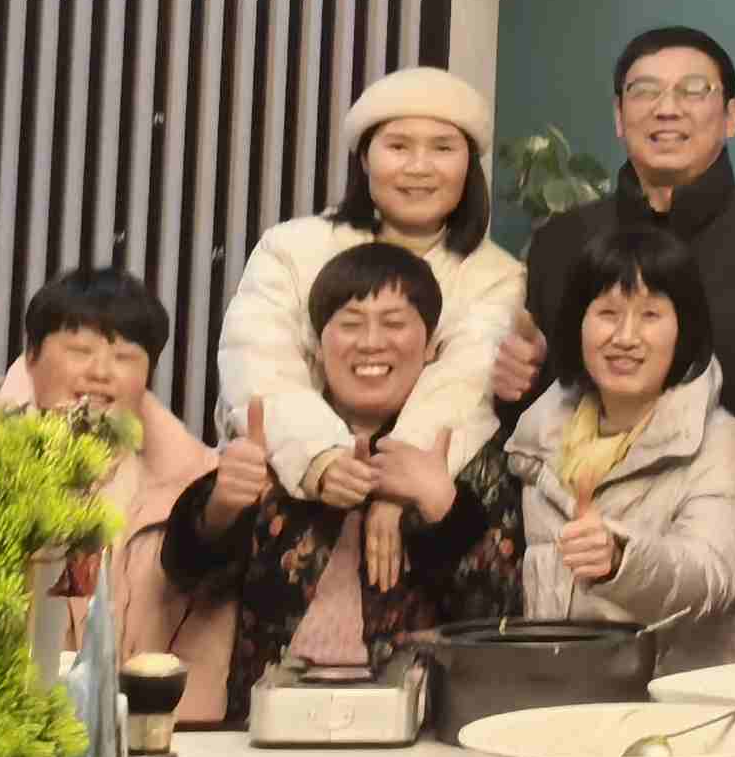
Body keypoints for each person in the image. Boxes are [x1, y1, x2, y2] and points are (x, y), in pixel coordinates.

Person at [164, 243, 508, 725]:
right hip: (267, 729)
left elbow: (498, 618)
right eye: (350, 324)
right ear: (317, 345)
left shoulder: (466, 454)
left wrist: (444, 510)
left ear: (431, 346)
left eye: (394, 323)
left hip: (420, 732)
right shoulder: (276, 442)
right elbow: (185, 580)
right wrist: (219, 507)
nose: (371, 343)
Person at [216, 67, 525, 592]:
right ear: (364, 158)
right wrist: (321, 457)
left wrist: (394, 485)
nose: (419, 167)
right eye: (398, 146)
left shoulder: (499, 275)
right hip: (290, 499)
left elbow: (462, 385)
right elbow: (258, 361)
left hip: (429, 520)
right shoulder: (291, 247)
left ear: (469, 164)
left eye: (443, 148)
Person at [506, 27, 735, 445]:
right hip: (583, 481)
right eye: (645, 91)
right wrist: (518, 383)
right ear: (618, 116)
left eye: (694, 90)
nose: (667, 109)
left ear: (731, 116)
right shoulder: (562, 241)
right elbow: (538, 416)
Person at [0, 267, 221, 665]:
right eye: (80, 351)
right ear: (31, 357)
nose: (101, 372)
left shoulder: (191, 488)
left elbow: (206, 648)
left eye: (124, 357)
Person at [500, 225, 735, 673]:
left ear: (684, 328)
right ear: (578, 323)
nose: (625, 337)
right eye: (607, 313)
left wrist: (620, 560)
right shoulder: (538, 439)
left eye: (650, 315)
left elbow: (708, 576)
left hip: (689, 703)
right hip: (567, 697)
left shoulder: (727, 447)